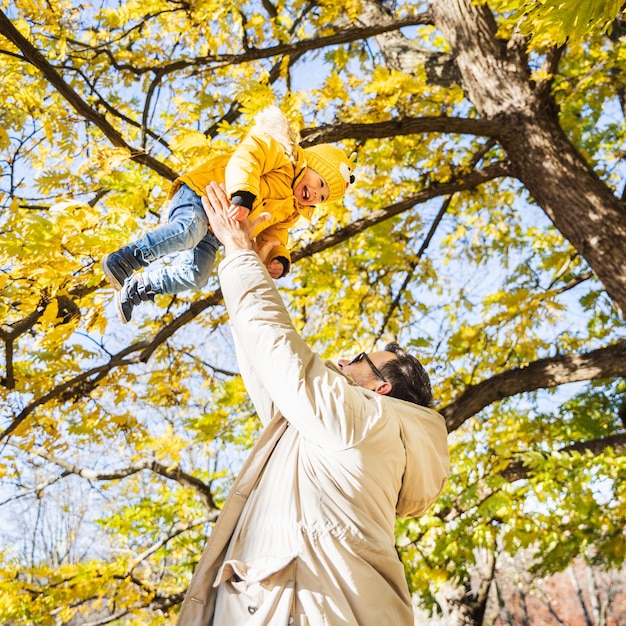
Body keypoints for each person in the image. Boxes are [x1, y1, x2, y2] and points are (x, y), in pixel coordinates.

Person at [174, 181, 450, 625]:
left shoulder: (370, 422)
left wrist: (240, 252)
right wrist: (250, 267)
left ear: (381, 389)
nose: (343, 358)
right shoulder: (329, 434)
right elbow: (270, 367)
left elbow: (283, 354)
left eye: (361, 360)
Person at [101, 106, 357, 323]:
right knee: (188, 231)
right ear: (311, 164)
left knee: (197, 275)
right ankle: (126, 259)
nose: (316, 195)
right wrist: (243, 194)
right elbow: (248, 158)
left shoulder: (292, 211)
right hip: (203, 194)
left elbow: (275, 233)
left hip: (216, 231)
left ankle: (139, 289)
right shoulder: (283, 155)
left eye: (323, 198)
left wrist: (278, 257)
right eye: (320, 184)